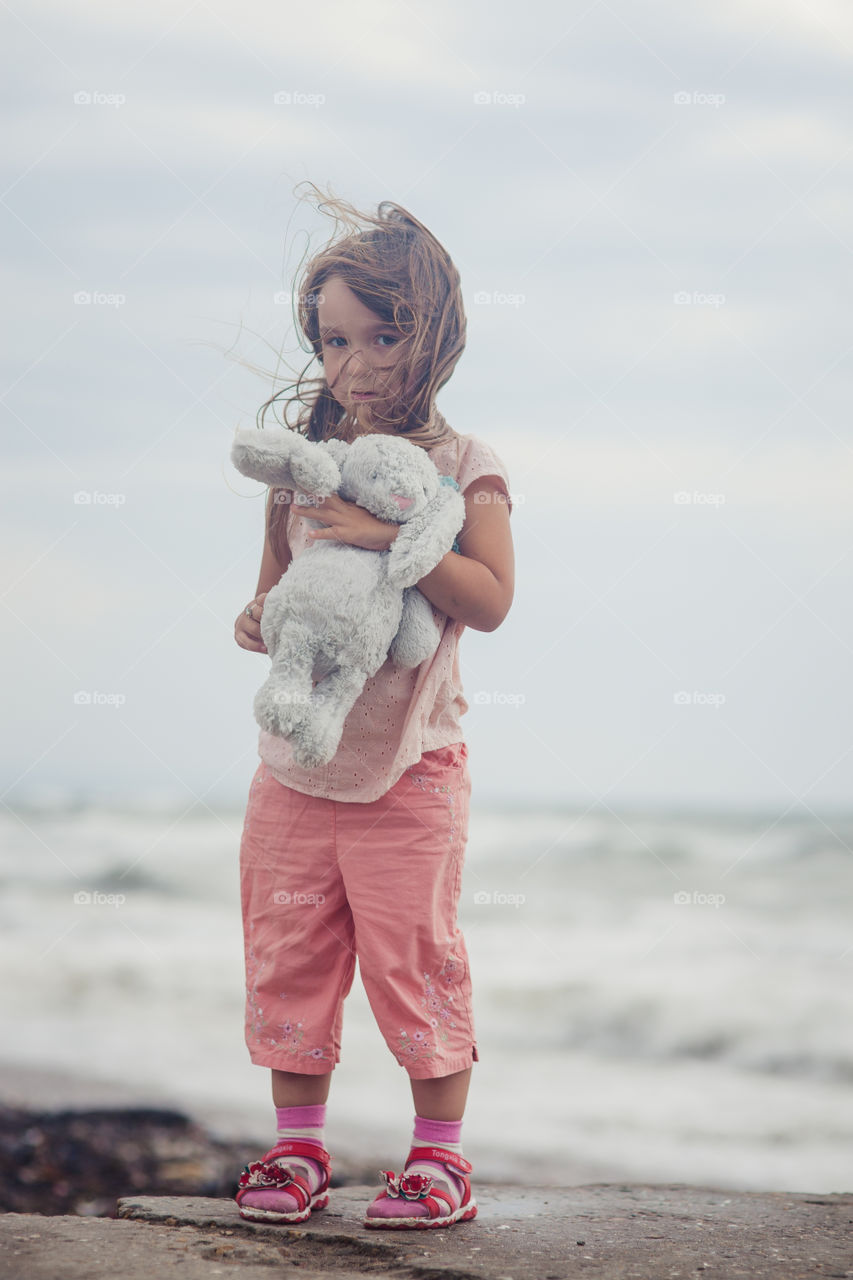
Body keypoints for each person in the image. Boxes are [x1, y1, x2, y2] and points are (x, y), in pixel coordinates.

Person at [232, 189, 514, 1230]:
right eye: (332, 338)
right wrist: (257, 618)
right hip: (295, 766)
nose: (352, 363)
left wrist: (382, 534)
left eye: (378, 334)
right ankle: (296, 1146)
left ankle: (438, 1158)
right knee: (289, 952)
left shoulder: (465, 467)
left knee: (414, 956)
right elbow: (271, 584)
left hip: (410, 769)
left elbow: (488, 599)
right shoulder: (301, 466)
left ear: (429, 331)